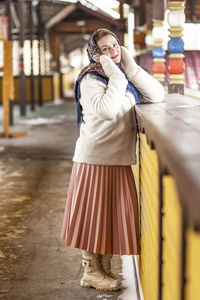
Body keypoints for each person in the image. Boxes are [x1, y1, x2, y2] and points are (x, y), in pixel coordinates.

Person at [61, 28, 165, 291]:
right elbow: (107, 110)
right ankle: (91, 271)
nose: (114, 51)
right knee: (92, 216)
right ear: (95, 55)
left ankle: (103, 269)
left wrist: (130, 68)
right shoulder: (90, 79)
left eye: (116, 45)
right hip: (95, 158)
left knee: (107, 217)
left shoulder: (123, 78)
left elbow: (157, 95)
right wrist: (114, 71)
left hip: (116, 158)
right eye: (105, 48)